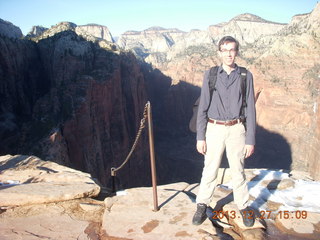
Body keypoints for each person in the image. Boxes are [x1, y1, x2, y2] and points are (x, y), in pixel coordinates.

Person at [192, 36, 256, 227]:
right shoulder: (211, 75)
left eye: (232, 49)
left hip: (237, 129)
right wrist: (200, 136)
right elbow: (203, 105)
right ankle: (202, 205)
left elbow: (250, 110)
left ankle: (243, 206)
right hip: (214, 129)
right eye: (225, 50)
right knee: (210, 169)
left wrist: (250, 139)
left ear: (236, 52)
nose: (228, 53)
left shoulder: (245, 76)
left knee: (238, 170)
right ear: (219, 52)